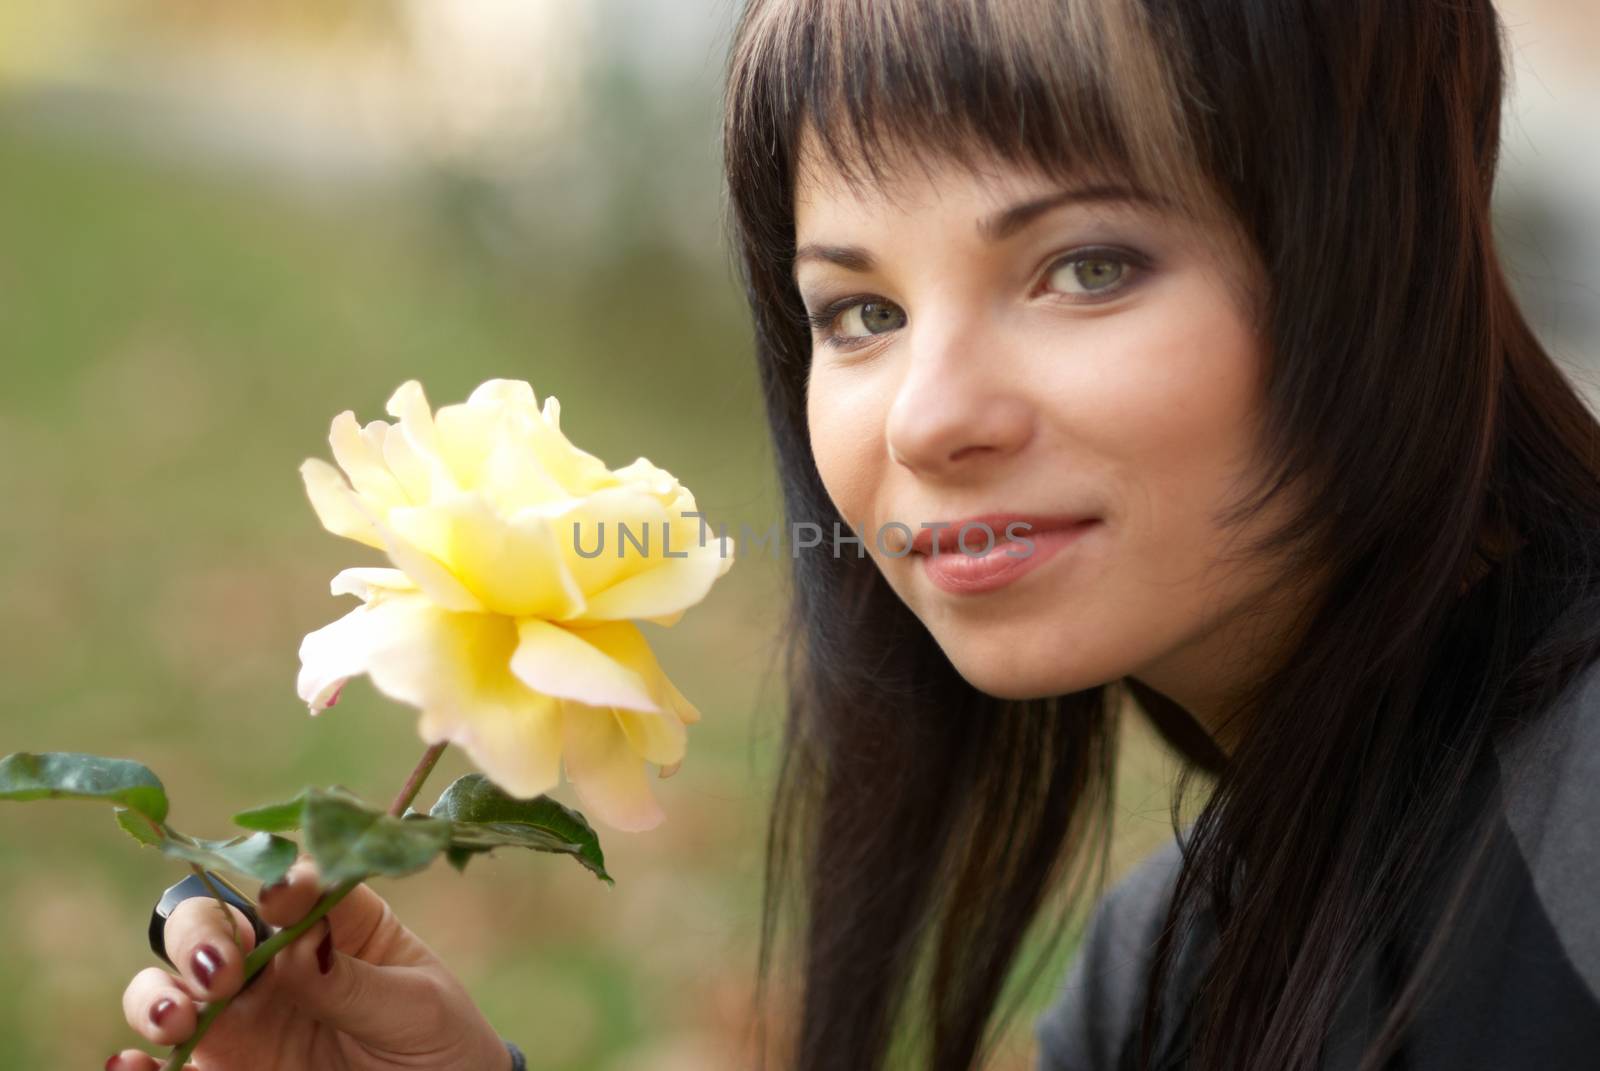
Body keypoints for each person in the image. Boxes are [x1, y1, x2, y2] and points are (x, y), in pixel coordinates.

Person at [113, 0, 1600, 1068]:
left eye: (1085, 266)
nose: (926, 421)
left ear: (1380, 250)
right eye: (861, 313)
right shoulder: (1172, 970)